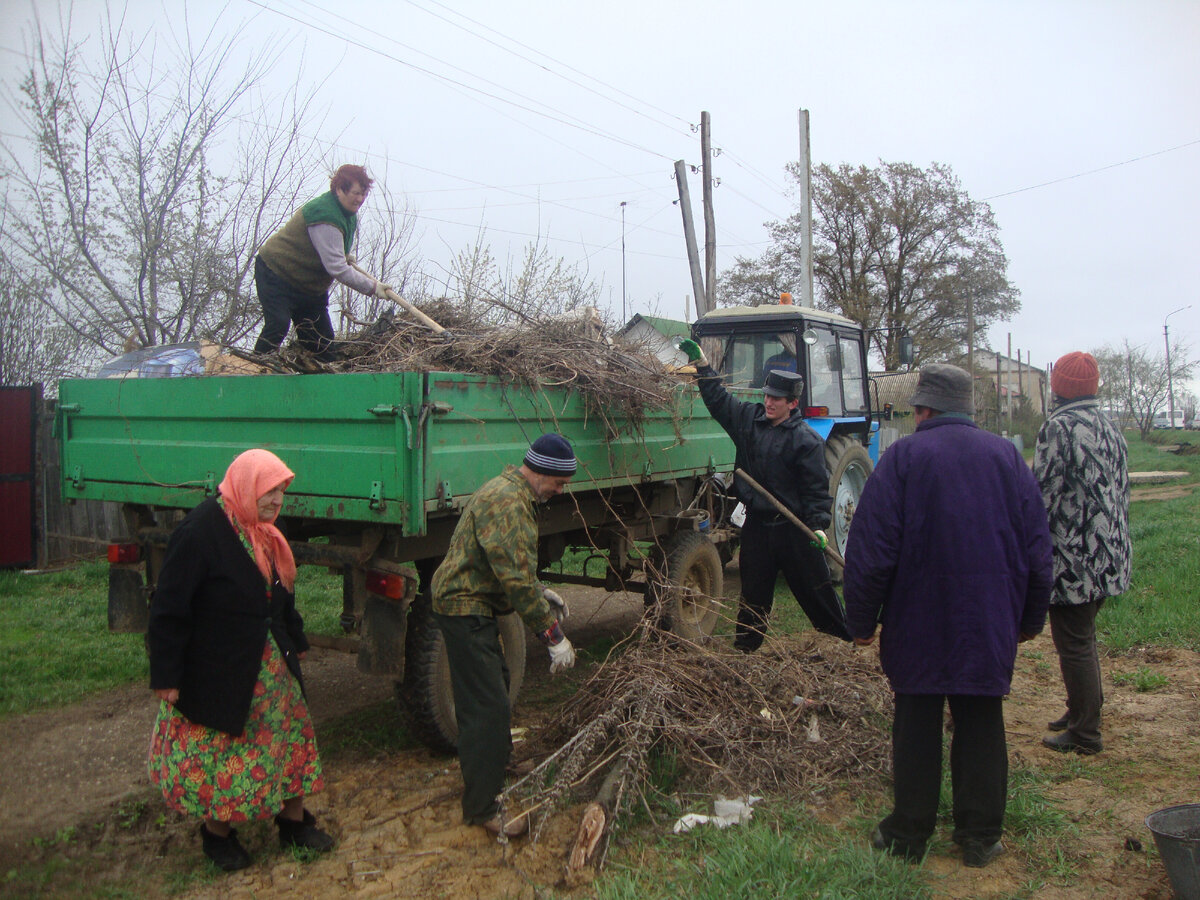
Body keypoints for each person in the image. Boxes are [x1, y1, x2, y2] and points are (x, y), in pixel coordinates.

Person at [843, 363, 1053, 868]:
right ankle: (980, 837)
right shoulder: (1007, 457)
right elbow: (1038, 550)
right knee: (981, 718)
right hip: (987, 621)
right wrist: (1030, 617)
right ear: (968, 409)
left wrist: (862, 622)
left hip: (918, 620)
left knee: (916, 720)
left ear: (923, 409)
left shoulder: (903, 459)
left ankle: (909, 834)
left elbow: (872, 550)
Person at [147, 449, 334, 872]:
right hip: (222, 670)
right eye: (268, 493)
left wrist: (296, 636)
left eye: (281, 492)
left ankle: (294, 825)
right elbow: (169, 609)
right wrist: (167, 675)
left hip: (273, 669)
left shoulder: (268, 530)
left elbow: (280, 595)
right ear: (245, 487)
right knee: (224, 755)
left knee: (288, 744)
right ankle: (218, 837)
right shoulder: (200, 532)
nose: (276, 502)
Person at [431, 434, 578, 837]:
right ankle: (483, 807)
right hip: (464, 606)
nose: (560, 490)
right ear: (543, 470)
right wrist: (553, 635)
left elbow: (509, 563)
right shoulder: (510, 502)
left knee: (497, 681)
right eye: (560, 482)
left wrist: (539, 591)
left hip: (474, 601)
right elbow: (514, 578)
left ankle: (500, 760)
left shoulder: (513, 493)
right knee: (487, 706)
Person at [677, 338, 851, 650]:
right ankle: (745, 651)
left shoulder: (807, 441)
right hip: (757, 527)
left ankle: (844, 642)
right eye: (768, 395)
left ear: (792, 404)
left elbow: (815, 490)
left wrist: (819, 525)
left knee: (816, 591)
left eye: (777, 399)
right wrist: (703, 366)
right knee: (753, 596)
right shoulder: (748, 421)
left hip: (795, 529)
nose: (769, 402)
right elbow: (718, 400)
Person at [1034, 351, 1131, 755]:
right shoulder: (1110, 426)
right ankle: (1079, 711)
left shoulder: (1059, 428)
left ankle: (1085, 733)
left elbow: (1041, 496)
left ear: (1058, 387)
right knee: (1082, 639)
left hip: (1076, 562)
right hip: (1110, 556)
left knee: (1074, 644)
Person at [253, 164, 391, 361]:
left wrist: (342, 254)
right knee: (278, 325)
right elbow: (337, 269)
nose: (360, 199)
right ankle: (254, 373)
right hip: (277, 274)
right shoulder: (325, 215)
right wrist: (372, 287)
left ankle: (317, 386)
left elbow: (333, 249)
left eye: (363, 194)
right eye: (356, 193)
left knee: (321, 343)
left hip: (309, 288)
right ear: (339, 189)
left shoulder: (347, 213)